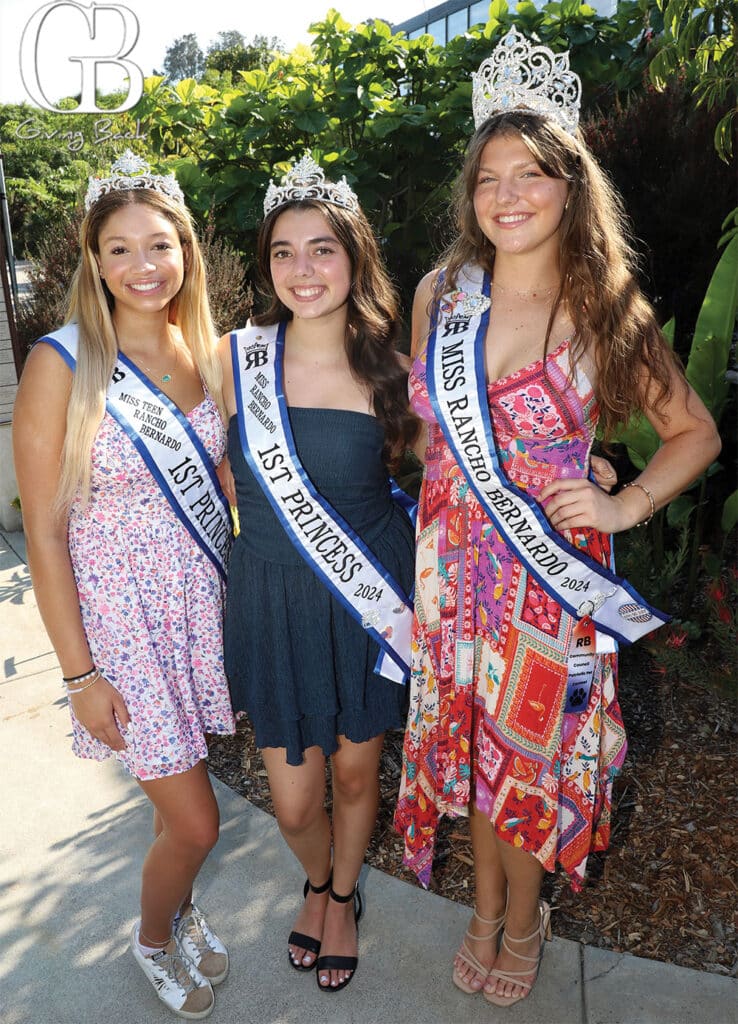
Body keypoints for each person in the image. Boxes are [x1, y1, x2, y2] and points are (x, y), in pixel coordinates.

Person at [394, 27, 721, 1009]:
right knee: (477, 760)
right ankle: (486, 911)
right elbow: (425, 438)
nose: (508, 193)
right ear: (470, 192)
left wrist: (622, 497)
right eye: (489, 174)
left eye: (532, 172)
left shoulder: (604, 306)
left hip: (547, 585)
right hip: (455, 576)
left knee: (527, 763)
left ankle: (519, 920)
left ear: (571, 186)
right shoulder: (438, 294)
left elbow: (693, 432)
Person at [13, 151, 236, 1021]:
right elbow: (43, 530)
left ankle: (173, 909)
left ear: (186, 251)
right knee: (196, 823)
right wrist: (78, 675)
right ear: (94, 262)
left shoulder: (205, 351)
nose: (143, 267)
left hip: (193, 613)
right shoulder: (62, 363)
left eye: (159, 246)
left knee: (173, 807)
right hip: (119, 630)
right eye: (120, 250)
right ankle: (151, 941)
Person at [218, 153, 417, 993]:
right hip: (271, 604)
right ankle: (316, 872)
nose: (303, 270)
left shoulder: (393, 373)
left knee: (353, 772)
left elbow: (450, 484)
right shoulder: (232, 360)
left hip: (362, 602)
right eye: (284, 252)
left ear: (355, 257)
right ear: (266, 267)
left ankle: (340, 896)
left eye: (323, 248)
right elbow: (218, 477)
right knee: (295, 802)